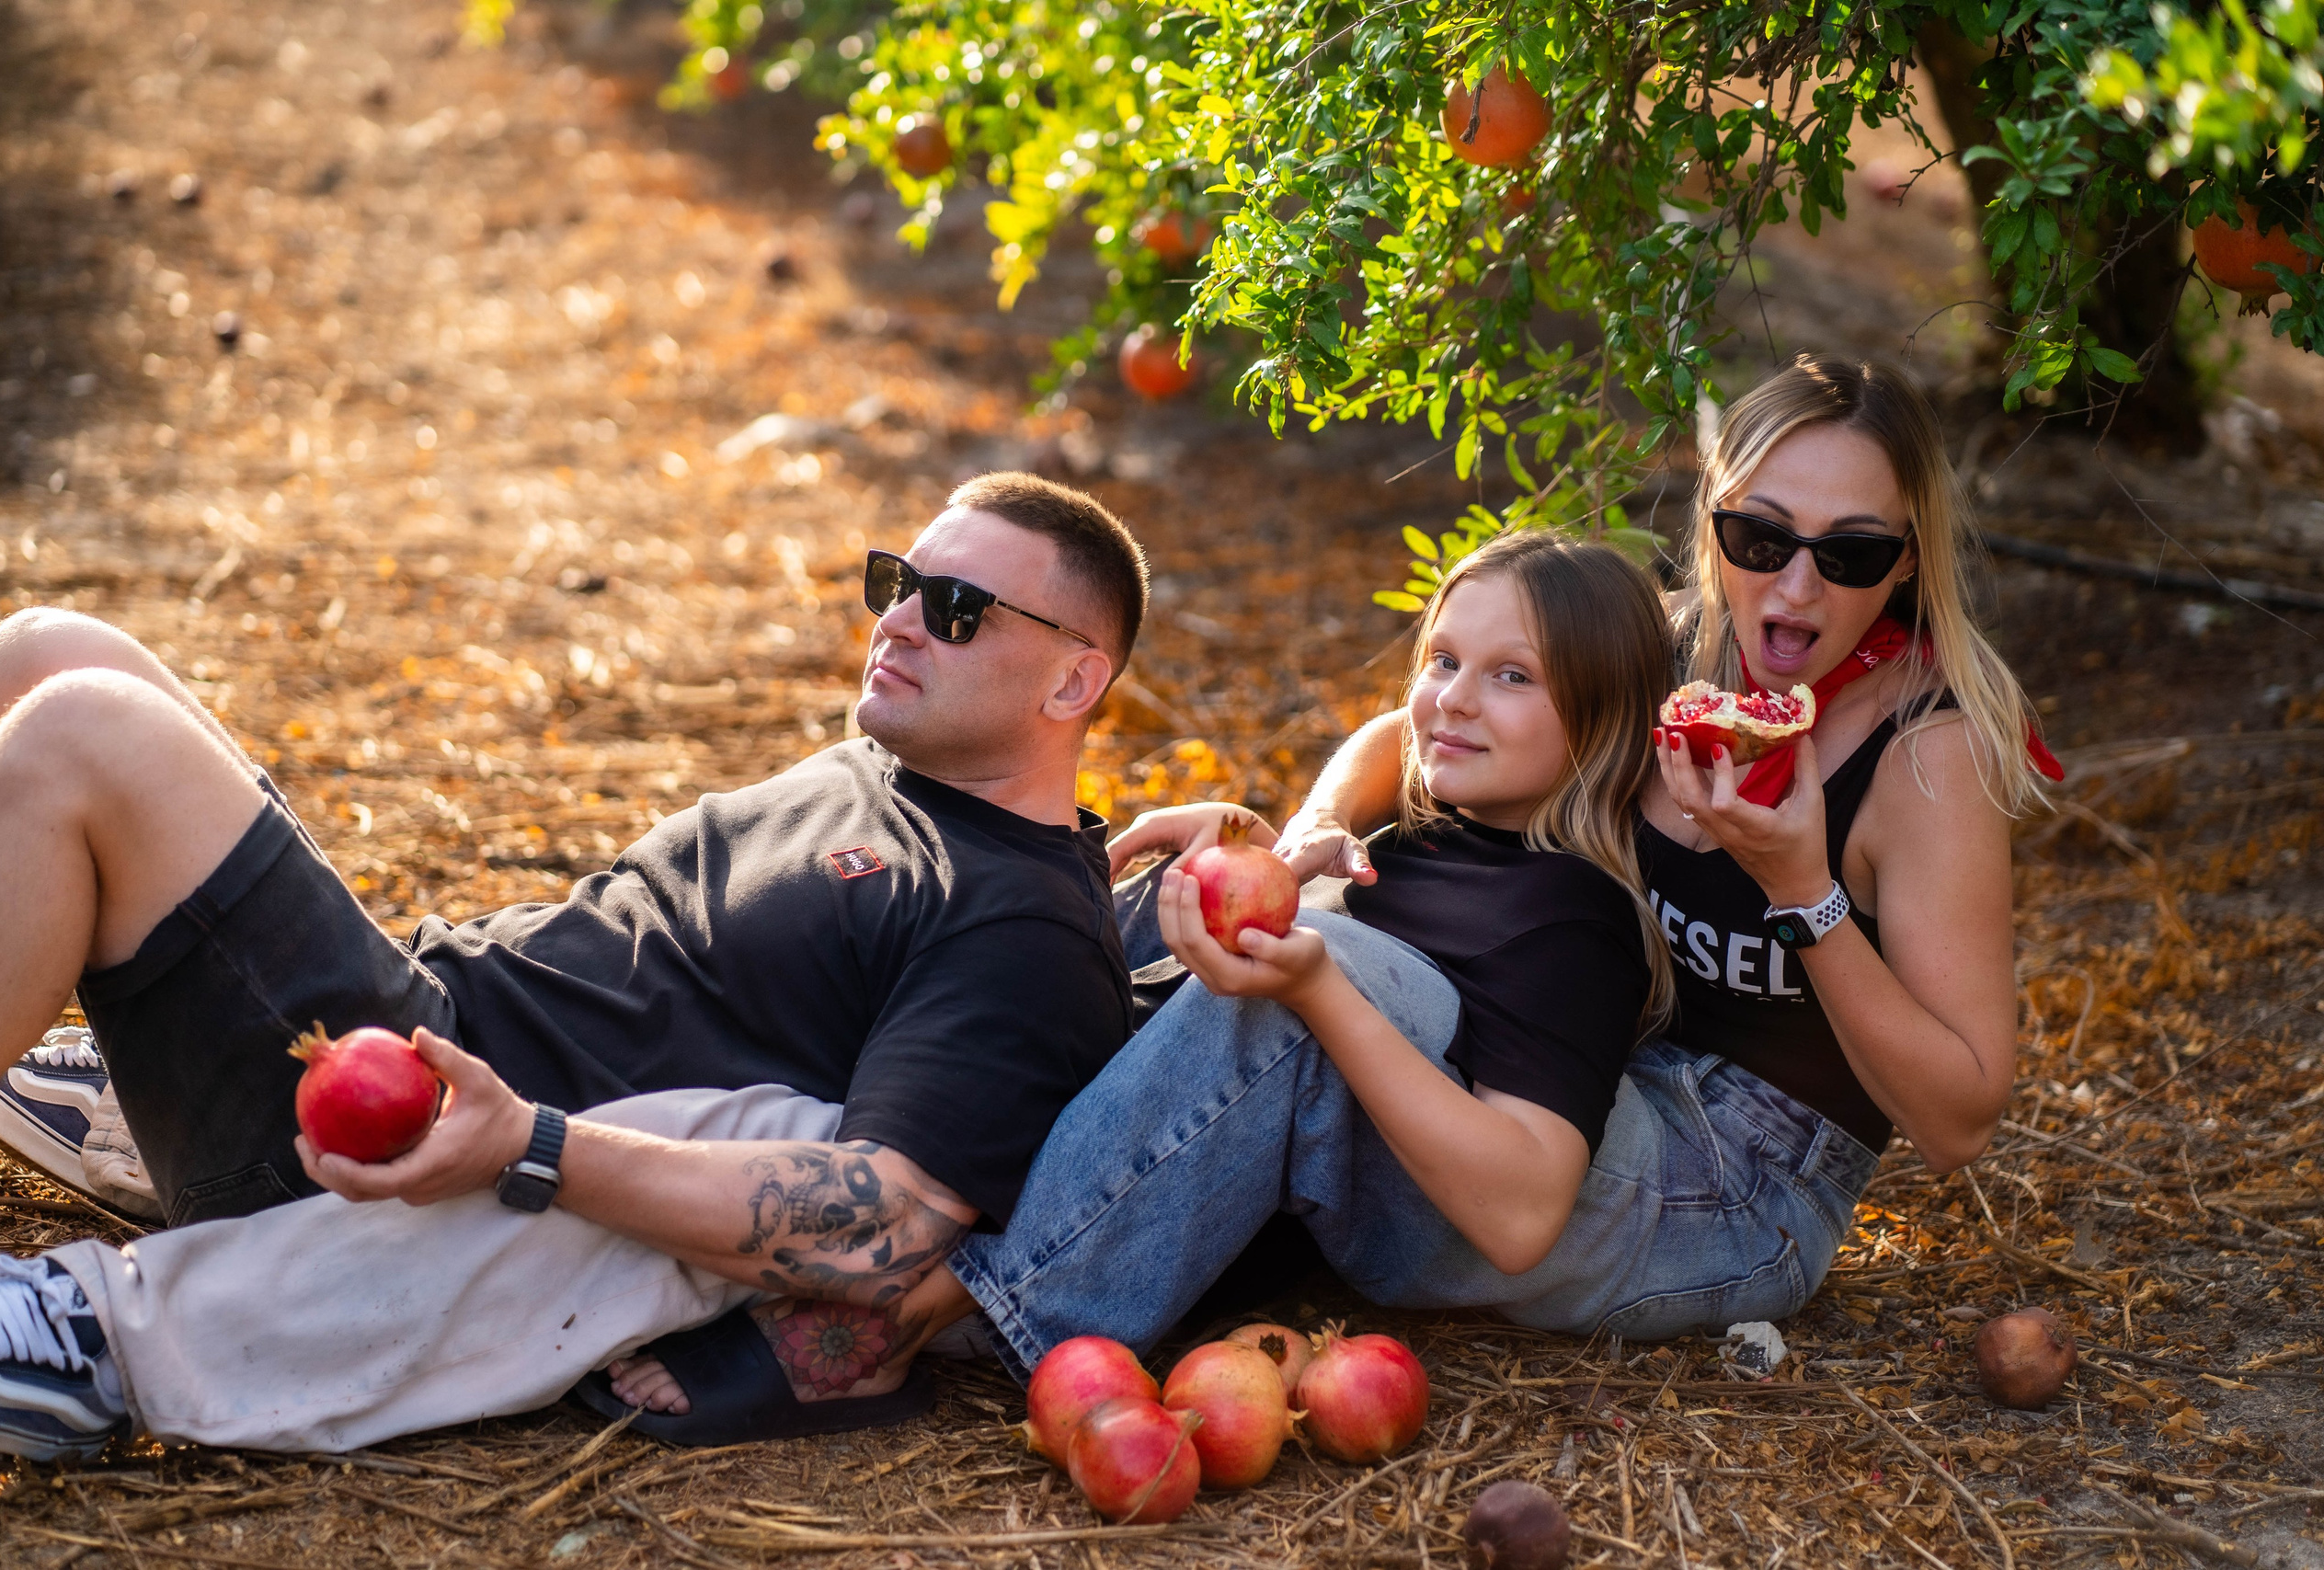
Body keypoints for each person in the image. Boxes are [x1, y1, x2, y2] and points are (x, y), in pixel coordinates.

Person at [600, 352, 2055, 1404]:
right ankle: (870, 1145)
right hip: (1576, 1057)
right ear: (1715, 523)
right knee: (1186, 924)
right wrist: (1290, 839)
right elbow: (1392, 733)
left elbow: (1961, 1110)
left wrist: (1802, 888)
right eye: (1759, 537)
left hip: (1728, 1177)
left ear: (1908, 550)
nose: (1796, 587)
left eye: (1850, 550)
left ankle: (953, 1311)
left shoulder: (1925, 763)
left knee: (1329, 986)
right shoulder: (1673, 649)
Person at [0, 472, 1148, 1460]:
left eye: (953, 608)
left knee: (84, 728)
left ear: (1071, 683)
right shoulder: (891, 777)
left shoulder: (1020, 931)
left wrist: (529, 1144)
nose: (895, 619)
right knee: (44, 649)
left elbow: (876, 1228)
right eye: (896, 582)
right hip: (403, 1018)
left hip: (402, 1148)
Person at [612, 528, 1694, 1416]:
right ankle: (892, 1146)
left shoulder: (1572, 917)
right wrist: (1246, 853)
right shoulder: (1429, 824)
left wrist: (1313, 987)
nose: (1452, 700)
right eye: (1443, 661)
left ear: (1599, 719)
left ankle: (915, 1311)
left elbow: (1518, 1220)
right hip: (1303, 1163)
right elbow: (1368, 763)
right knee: (1108, 910)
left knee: (1317, 986)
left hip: (1431, 1218)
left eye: (1510, 678)